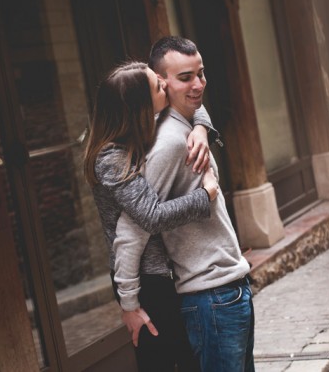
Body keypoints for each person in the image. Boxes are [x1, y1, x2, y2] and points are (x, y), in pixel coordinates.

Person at [112, 36, 255, 372]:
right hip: (211, 297)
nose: (198, 85)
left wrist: (203, 126)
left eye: (201, 74)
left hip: (229, 288)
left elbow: (196, 102)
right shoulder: (168, 145)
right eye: (186, 77)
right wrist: (128, 302)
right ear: (161, 82)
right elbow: (133, 228)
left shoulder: (188, 123)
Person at [83, 61, 221, 371]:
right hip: (145, 281)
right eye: (158, 86)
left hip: (162, 273)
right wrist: (206, 196)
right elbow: (152, 216)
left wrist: (200, 127)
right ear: (139, 105)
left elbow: (196, 106)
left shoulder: (144, 129)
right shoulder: (111, 157)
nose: (166, 86)